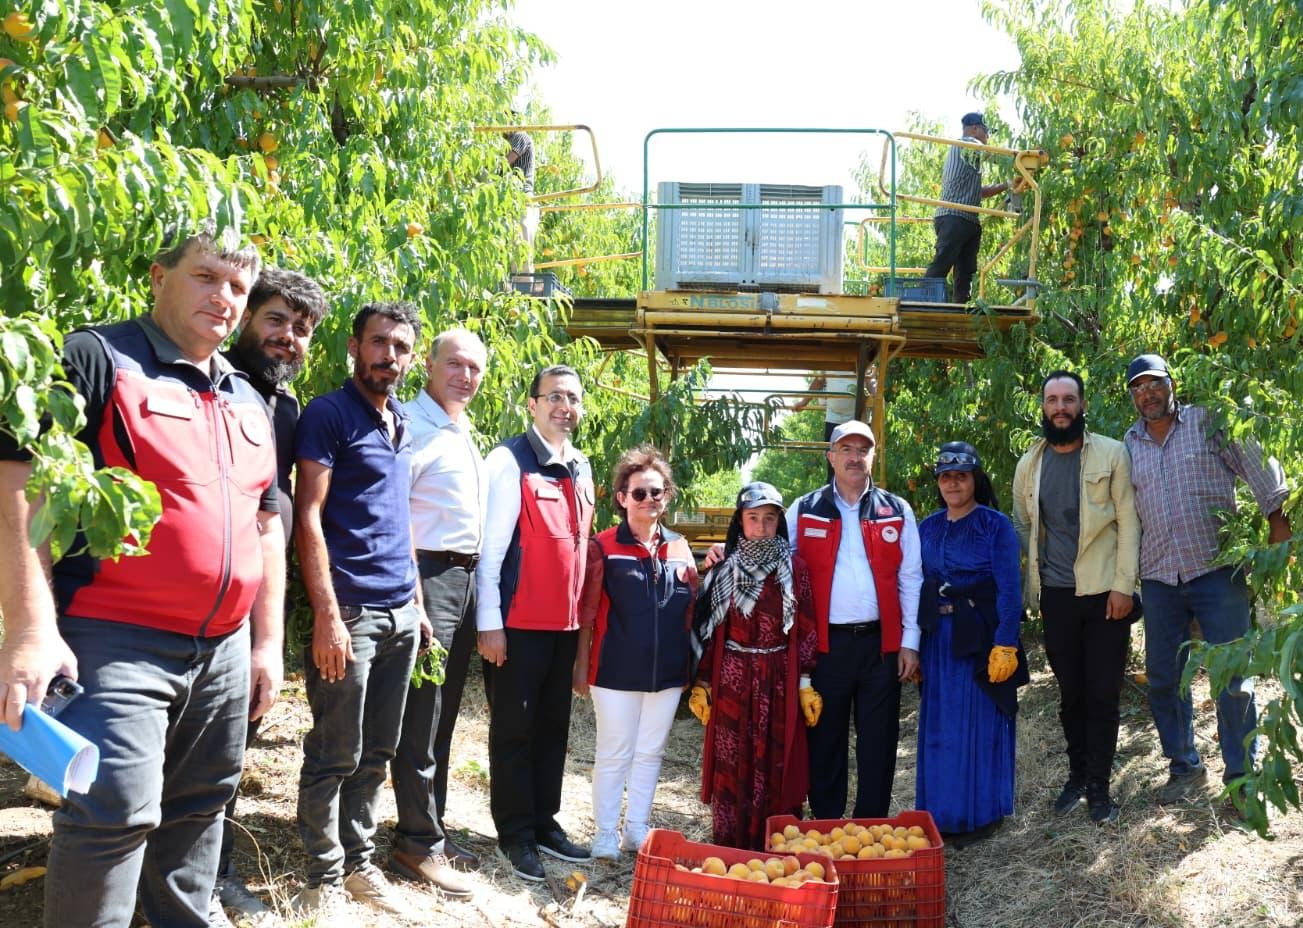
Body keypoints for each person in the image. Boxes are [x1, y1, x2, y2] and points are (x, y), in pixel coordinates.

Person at [0, 227, 283, 928]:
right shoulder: (94, 357)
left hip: (221, 649)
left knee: (201, 807)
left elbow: (265, 522)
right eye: (206, 276)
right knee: (114, 814)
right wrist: (32, 628)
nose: (223, 298)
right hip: (115, 635)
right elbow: (17, 479)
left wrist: (265, 644)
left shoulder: (250, 395)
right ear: (158, 278)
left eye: (238, 288)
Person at [293, 302, 427, 917]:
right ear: (354, 346)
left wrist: (418, 604)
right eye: (379, 343)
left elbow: (400, 522)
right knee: (335, 751)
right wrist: (326, 615)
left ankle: (359, 863)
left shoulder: (399, 420)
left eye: (400, 347)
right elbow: (308, 516)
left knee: (377, 750)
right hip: (350, 612)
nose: (389, 357)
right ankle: (322, 876)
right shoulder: (328, 414)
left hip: (400, 612)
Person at [1123, 353, 1290, 803]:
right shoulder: (1130, 443)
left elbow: (1258, 461)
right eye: (1137, 387)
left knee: (1233, 677)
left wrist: (1277, 519)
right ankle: (1184, 767)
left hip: (1216, 569)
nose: (1147, 393)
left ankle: (1242, 776)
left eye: (1154, 383)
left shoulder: (1207, 421)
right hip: (1158, 577)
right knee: (1163, 677)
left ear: (1171, 384)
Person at [216, 267, 328, 919]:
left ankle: (214, 872)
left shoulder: (284, 405)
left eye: (302, 329)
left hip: (254, 605)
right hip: (192, 608)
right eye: (276, 321)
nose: (288, 338)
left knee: (230, 753)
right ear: (246, 319)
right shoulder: (216, 384)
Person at [475, 364, 595, 881]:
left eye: (572, 398)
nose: (564, 406)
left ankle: (545, 822)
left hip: (563, 628)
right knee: (514, 731)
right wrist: (490, 623)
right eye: (554, 397)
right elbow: (491, 552)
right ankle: (515, 834)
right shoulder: (508, 461)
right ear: (533, 404)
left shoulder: (583, 465)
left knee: (552, 730)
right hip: (517, 624)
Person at [1011, 370, 1139, 825]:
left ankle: (1101, 790)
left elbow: (1128, 521)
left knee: (1103, 695)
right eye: (1052, 400)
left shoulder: (1111, 453)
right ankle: (1078, 776)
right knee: (1071, 695)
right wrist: (1028, 591)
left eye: (1069, 399)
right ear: (1043, 408)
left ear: (1082, 405)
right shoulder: (1030, 463)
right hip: (1057, 597)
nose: (1060, 407)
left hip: (1106, 593)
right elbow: (1023, 528)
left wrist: (1126, 585)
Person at [388, 328, 489, 898]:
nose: (465, 376)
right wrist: (418, 597)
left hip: (464, 577)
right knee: (422, 716)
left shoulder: (460, 429)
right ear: (428, 365)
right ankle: (415, 844)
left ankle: (434, 829)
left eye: (474, 368)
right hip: (428, 575)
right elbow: (394, 513)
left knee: (442, 715)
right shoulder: (410, 425)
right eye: (454, 364)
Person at [792, 420, 923, 819]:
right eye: (845, 449)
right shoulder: (804, 508)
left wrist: (910, 641)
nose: (854, 457)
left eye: (862, 449)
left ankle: (871, 828)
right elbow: (778, 563)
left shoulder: (896, 510)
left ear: (872, 457)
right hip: (826, 648)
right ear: (831, 457)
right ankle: (828, 827)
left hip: (880, 647)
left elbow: (911, 577)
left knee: (878, 743)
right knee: (825, 742)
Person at [574, 445, 697, 860]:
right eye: (639, 493)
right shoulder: (603, 547)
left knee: (651, 752)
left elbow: (692, 609)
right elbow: (587, 614)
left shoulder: (680, 548)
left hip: (667, 673)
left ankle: (636, 829)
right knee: (614, 752)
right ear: (622, 497)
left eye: (657, 492)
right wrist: (580, 669)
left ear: (668, 496)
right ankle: (605, 833)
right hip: (614, 671)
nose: (649, 500)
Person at [690, 482, 819, 850]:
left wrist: (806, 681)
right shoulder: (724, 567)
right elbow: (711, 627)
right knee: (733, 760)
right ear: (740, 522)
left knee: (779, 761)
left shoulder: (795, 568)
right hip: (734, 675)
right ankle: (733, 846)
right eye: (753, 518)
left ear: (779, 521)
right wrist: (703, 682)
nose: (761, 526)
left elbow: (806, 624)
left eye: (769, 518)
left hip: (779, 677)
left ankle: (779, 847)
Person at [916, 441, 1027, 846]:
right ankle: (939, 817)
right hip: (937, 641)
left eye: (961, 475)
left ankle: (980, 816)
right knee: (941, 728)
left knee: (979, 725)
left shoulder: (995, 525)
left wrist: (1006, 643)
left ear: (975, 479)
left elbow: (1010, 591)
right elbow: (911, 585)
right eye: (946, 476)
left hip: (981, 639)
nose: (953, 483)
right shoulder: (926, 527)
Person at [922, 112, 1011, 303]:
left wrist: (1007, 185)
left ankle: (961, 306)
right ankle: (923, 301)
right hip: (954, 215)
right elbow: (996, 156)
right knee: (943, 262)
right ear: (974, 128)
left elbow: (978, 191)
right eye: (987, 132)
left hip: (968, 219)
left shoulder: (971, 158)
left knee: (966, 270)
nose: (988, 138)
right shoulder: (968, 144)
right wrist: (1019, 157)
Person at [505, 117, 539, 274]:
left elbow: (504, 164)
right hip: (516, 198)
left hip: (522, 196)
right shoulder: (510, 141)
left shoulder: (519, 136)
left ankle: (523, 284)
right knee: (517, 241)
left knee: (521, 237)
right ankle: (518, 282)